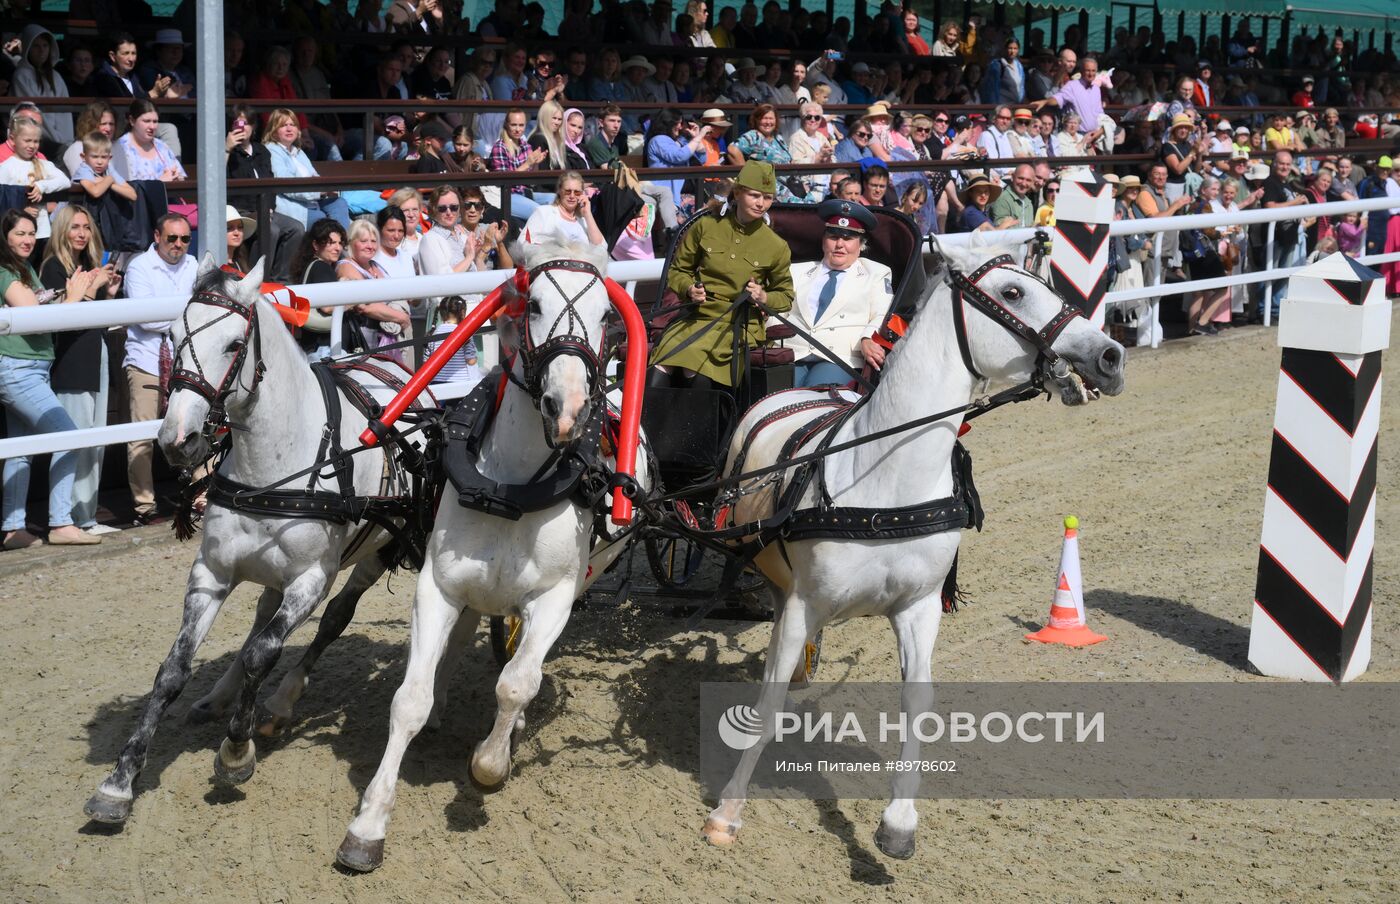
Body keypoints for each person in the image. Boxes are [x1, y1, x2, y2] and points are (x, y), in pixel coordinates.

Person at [1, 209, 105, 549]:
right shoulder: (4, 270)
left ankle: (13, 528)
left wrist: (65, 297)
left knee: (21, 452)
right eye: (19, 233)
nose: (28, 239)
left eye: (31, 233)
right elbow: (33, 316)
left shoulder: (23, 267)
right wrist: (73, 298)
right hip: (18, 370)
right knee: (68, 435)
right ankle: (61, 522)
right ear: (5, 237)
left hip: (30, 368)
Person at [649, 160, 794, 390]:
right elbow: (678, 271)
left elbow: (785, 296)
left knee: (693, 367)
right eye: (755, 195)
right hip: (695, 317)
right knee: (658, 368)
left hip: (737, 325)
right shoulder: (706, 225)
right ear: (737, 193)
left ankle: (699, 426)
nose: (761, 203)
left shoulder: (776, 245)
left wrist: (763, 296)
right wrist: (689, 289)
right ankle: (647, 426)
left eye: (767, 198)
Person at [40, 205, 121, 534]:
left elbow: (101, 319)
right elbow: (63, 321)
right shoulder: (53, 268)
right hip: (70, 363)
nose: (81, 233)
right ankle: (68, 519)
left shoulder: (87, 265)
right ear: (62, 229)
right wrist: (92, 287)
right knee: (73, 441)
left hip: (96, 356)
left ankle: (86, 517)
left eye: (86, 227)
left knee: (95, 440)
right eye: (74, 227)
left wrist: (108, 291)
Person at [121, 213, 197, 526]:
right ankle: (145, 507)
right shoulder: (139, 266)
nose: (178, 244)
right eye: (172, 238)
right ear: (157, 236)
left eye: (184, 238)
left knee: (196, 428)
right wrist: (188, 314)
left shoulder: (193, 264)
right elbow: (147, 319)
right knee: (141, 436)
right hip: (146, 360)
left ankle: (199, 496)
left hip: (188, 362)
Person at [784, 199, 894, 387]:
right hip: (793, 352)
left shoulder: (876, 273)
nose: (840, 245)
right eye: (833, 237)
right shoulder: (796, 271)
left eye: (848, 239)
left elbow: (882, 314)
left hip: (839, 357)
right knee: (775, 401)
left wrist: (868, 338)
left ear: (861, 244)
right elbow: (779, 310)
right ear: (823, 241)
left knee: (815, 400)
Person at [226, 103, 303, 282]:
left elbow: (270, 184)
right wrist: (227, 148)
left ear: (253, 127)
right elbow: (215, 178)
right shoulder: (228, 152)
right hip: (239, 210)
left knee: (296, 228)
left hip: (264, 208)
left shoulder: (262, 151)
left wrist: (268, 208)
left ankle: (282, 279)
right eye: (238, 124)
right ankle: (258, 280)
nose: (243, 128)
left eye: (247, 123)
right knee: (270, 230)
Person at [336, 219, 413, 359]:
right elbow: (364, 305)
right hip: (366, 339)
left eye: (373, 241)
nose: (370, 246)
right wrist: (401, 317)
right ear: (351, 242)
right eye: (364, 241)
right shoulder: (347, 267)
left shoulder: (374, 265)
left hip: (387, 335)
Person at [264, 108, 350, 229]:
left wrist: (327, 189)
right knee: (320, 219)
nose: (289, 129)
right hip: (294, 205)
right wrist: (319, 191)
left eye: (292, 125)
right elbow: (287, 185)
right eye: (283, 125)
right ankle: (331, 244)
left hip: (313, 201)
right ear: (273, 131)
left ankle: (340, 245)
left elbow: (314, 176)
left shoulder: (298, 151)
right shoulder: (271, 150)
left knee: (339, 203)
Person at [0, 117, 72, 239]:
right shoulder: (5, 168)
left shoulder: (44, 164)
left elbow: (65, 181)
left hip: (42, 231)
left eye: (36, 141)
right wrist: (21, 209)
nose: (32, 145)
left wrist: (41, 186)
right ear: (13, 139)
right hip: (17, 233)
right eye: (27, 140)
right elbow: (3, 200)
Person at [11, 25, 73, 155]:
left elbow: (65, 113)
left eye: (45, 46)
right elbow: (33, 112)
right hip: (37, 141)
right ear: (28, 47)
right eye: (36, 46)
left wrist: (66, 141)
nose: (41, 51)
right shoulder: (21, 75)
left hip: (62, 142)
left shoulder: (56, 76)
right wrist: (55, 141)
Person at [291, 219, 346, 359]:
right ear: (315, 245)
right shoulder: (322, 268)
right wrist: (354, 302)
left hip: (312, 347)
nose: (337, 248)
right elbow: (327, 307)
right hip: (324, 349)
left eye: (340, 243)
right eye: (331, 243)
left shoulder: (310, 266)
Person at [522, 171, 605, 246]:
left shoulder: (584, 220)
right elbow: (523, 243)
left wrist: (588, 214)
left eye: (577, 192)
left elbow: (601, 247)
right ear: (559, 191)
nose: (572, 196)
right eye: (567, 191)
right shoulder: (543, 212)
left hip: (584, 261)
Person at [425, 295, 481, 392]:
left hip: (437, 383)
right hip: (460, 383)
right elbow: (471, 361)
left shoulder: (433, 333)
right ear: (462, 312)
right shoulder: (464, 333)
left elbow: (426, 362)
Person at [62, 100, 117, 177]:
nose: (108, 128)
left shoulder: (117, 146)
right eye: (103, 124)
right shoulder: (77, 148)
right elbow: (83, 182)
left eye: (111, 124)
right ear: (90, 125)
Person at [990, 164, 1036, 228]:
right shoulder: (1003, 199)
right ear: (1012, 177)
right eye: (1021, 178)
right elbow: (1001, 232)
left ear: (1032, 183)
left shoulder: (1028, 203)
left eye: (1028, 180)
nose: (1023, 183)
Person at [224, 204, 255, 274]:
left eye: (240, 227)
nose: (236, 233)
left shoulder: (241, 261)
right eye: (229, 228)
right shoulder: (215, 265)